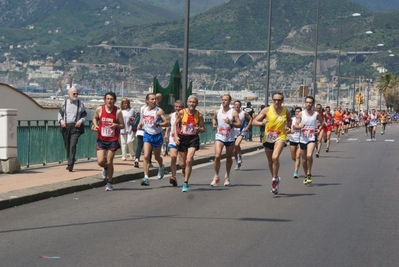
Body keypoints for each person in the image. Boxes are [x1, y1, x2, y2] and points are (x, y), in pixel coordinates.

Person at [252, 92, 292, 194]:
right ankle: (275, 177)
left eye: (279, 100)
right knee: (270, 161)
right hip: (268, 138)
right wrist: (262, 123)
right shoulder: (266, 110)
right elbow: (254, 122)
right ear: (272, 100)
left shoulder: (285, 111)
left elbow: (289, 121)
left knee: (275, 157)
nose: (277, 102)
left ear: (282, 101)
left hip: (280, 137)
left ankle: (274, 180)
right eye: (275, 100)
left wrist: (288, 128)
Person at [91, 92, 125, 191]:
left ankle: (109, 182)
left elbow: (122, 125)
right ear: (105, 100)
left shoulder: (118, 112)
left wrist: (116, 126)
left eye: (111, 99)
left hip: (113, 140)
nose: (109, 101)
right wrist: (95, 125)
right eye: (108, 99)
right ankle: (105, 168)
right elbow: (95, 117)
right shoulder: (99, 109)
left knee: (110, 161)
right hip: (101, 139)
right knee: (100, 161)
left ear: (114, 100)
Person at [174, 96, 205, 192]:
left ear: (196, 104)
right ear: (187, 103)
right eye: (190, 102)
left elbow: (203, 128)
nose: (192, 104)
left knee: (188, 160)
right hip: (183, 138)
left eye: (194, 102)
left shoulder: (199, 115)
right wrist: (175, 136)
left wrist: (199, 129)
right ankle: (184, 168)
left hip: (193, 138)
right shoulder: (182, 112)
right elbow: (175, 124)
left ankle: (185, 182)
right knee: (182, 163)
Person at [138, 93, 169, 186]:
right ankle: (146, 177)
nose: (154, 101)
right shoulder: (144, 110)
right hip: (147, 134)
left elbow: (167, 123)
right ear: (147, 100)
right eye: (152, 99)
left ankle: (161, 166)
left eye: (155, 99)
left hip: (157, 135)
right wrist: (141, 124)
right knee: (146, 155)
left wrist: (158, 124)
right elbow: (144, 120)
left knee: (157, 157)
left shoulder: (159, 111)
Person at [211, 94, 241, 187]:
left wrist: (231, 123)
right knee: (217, 156)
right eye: (222, 100)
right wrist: (214, 124)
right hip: (219, 137)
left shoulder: (233, 112)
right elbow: (214, 118)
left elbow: (239, 124)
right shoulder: (217, 111)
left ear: (229, 101)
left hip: (230, 138)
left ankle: (227, 176)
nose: (223, 101)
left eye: (226, 100)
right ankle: (216, 176)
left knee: (228, 157)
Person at [294, 96, 323, 185]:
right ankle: (306, 174)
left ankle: (309, 173)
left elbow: (322, 122)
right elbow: (296, 125)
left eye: (310, 102)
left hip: (311, 138)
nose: (308, 104)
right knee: (304, 160)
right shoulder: (301, 114)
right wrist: (300, 127)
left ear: (312, 104)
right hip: (303, 138)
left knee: (309, 155)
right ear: (305, 103)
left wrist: (319, 129)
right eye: (307, 102)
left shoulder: (316, 114)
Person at [57, 87, 87, 172]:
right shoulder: (64, 103)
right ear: (68, 94)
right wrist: (61, 121)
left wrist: (80, 121)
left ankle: (70, 164)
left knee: (73, 144)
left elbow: (84, 115)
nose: (76, 95)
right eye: (74, 94)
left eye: (77, 93)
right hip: (66, 127)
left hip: (75, 127)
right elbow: (60, 114)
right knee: (67, 145)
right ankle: (71, 159)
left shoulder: (80, 104)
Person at [164, 100, 184, 187]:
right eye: (176, 107)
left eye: (180, 107)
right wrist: (166, 134)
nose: (178, 108)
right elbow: (169, 125)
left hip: (182, 139)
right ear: (174, 107)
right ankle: (173, 176)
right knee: (173, 157)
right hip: (172, 139)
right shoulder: (171, 115)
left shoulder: (185, 116)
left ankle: (183, 168)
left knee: (181, 163)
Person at [233, 100, 253, 170]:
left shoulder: (243, 113)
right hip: (233, 132)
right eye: (235, 104)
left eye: (238, 104)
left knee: (236, 144)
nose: (237, 106)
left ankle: (239, 156)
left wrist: (247, 127)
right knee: (234, 150)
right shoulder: (231, 113)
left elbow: (251, 119)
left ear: (240, 106)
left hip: (241, 130)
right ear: (234, 105)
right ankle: (237, 162)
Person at [289, 107, 302, 178]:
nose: (298, 113)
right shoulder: (292, 120)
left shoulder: (303, 120)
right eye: (296, 111)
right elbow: (286, 127)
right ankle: (296, 162)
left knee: (298, 156)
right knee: (293, 157)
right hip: (293, 139)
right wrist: (289, 130)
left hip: (301, 140)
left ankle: (296, 172)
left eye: (299, 111)